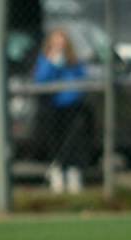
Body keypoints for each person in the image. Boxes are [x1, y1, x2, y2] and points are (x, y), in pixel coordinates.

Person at [33, 28, 92, 195]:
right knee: (55, 141)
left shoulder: (74, 63)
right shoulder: (46, 60)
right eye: (56, 41)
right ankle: (57, 173)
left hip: (72, 108)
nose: (59, 45)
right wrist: (52, 63)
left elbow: (81, 81)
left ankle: (74, 174)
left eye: (62, 41)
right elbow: (41, 80)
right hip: (53, 108)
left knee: (74, 142)